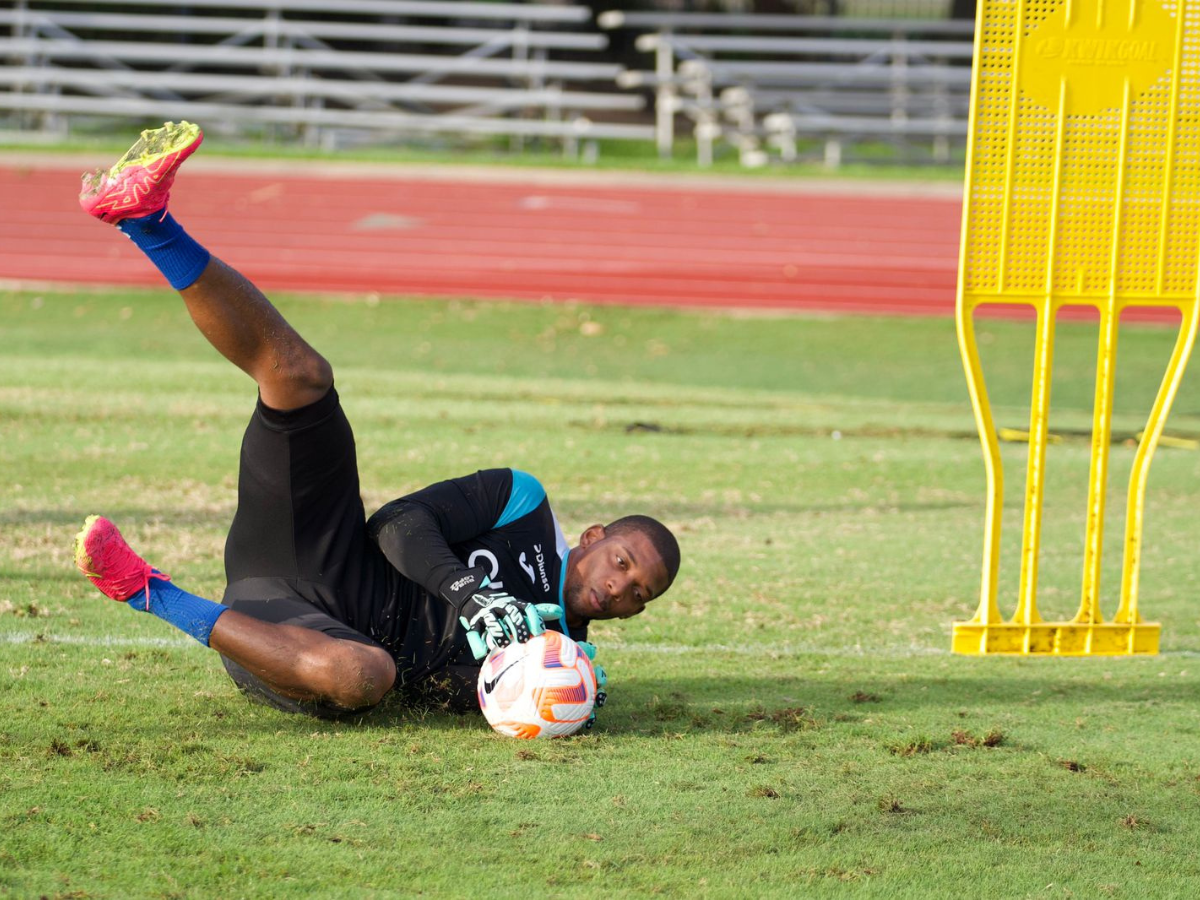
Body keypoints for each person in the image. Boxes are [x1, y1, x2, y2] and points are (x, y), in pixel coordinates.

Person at [73, 121, 681, 722]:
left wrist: (539, 687)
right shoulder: (522, 504)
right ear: (597, 535)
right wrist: (468, 594)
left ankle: (147, 591)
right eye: (624, 562)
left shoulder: (559, 659)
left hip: (300, 641)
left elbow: (438, 694)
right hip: (318, 552)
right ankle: (147, 220)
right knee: (303, 377)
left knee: (366, 676)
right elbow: (396, 523)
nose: (621, 588)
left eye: (639, 594)